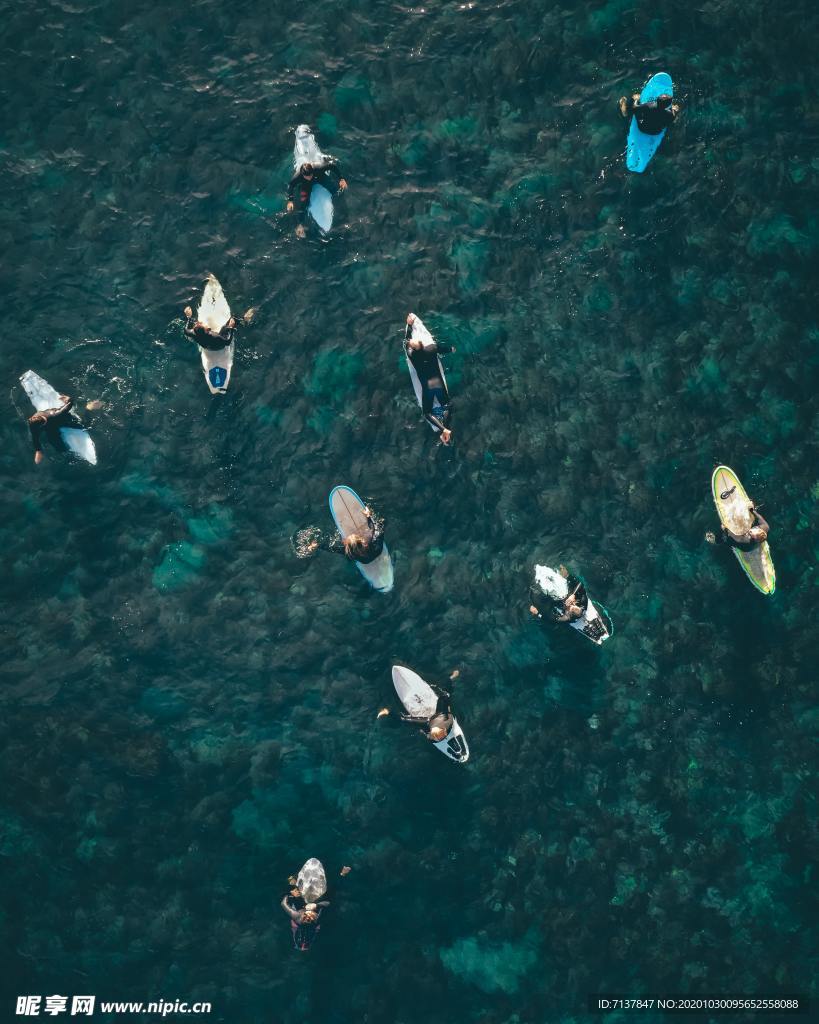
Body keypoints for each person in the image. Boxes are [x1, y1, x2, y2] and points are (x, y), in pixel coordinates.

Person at [405, 313, 455, 443]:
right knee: (447, 405)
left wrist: (409, 326)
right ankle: (446, 427)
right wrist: (451, 349)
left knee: (427, 412)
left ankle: (443, 429)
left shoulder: (413, 357)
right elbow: (445, 349)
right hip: (437, 383)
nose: (409, 343)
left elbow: (406, 341)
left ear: (413, 350)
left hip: (427, 386)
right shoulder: (432, 348)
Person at [281, 865, 351, 951]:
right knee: (332, 893)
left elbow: (283, 904)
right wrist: (317, 905)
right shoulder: (319, 919)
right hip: (316, 908)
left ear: (302, 918)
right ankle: (342, 874)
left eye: (305, 917)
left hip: (301, 907)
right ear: (315, 919)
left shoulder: (297, 916)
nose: (309, 914)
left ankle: (288, 876)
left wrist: (290, 893)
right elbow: (329, 903)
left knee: (292, 884)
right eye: (311, 917)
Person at [286, 158, 348, 238]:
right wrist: (290, 200)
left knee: (335, 190)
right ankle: (300, 224)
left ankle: (343, 211)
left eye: (310, 175)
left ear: (312, 171)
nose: (309, 178)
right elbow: (291, 185)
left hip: (320, 177)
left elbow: (332, 166)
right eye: (306, 176)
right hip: (306, 185)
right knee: (304, 203)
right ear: (302, 174)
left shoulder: (318, 167)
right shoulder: (298, 176)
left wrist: (341, 178)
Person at [307, 506, 385, 564]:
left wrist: (316, 545)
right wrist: (369, 516)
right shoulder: (374, 541)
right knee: (380, 526)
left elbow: (332, 549)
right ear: (363, 541)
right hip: (378, 551)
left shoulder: (349, 553)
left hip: (365, 561)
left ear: (348, 547)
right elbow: (374, 527)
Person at [28, 393, 75, 465]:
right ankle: (65, 453)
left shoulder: (56, 414)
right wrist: (38, 451)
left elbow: (70, 404)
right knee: (54, 441)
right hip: (49, 427)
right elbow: (35, 437)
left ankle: (67, 454)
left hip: (60, 420)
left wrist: (68, 399)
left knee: (75, 424)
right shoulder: (32, 423)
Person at [182, 305, 254, 350]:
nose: (202, 323)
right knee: (226, 325)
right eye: (204, 325)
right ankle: (244, 320)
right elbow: (227, 342)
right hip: (217, 348)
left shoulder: (193, 333)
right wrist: (231, 328)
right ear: (207, 330)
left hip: (206, 346)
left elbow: (185, 330)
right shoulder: (215, 336)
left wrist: (189, 317)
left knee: (194, 322)